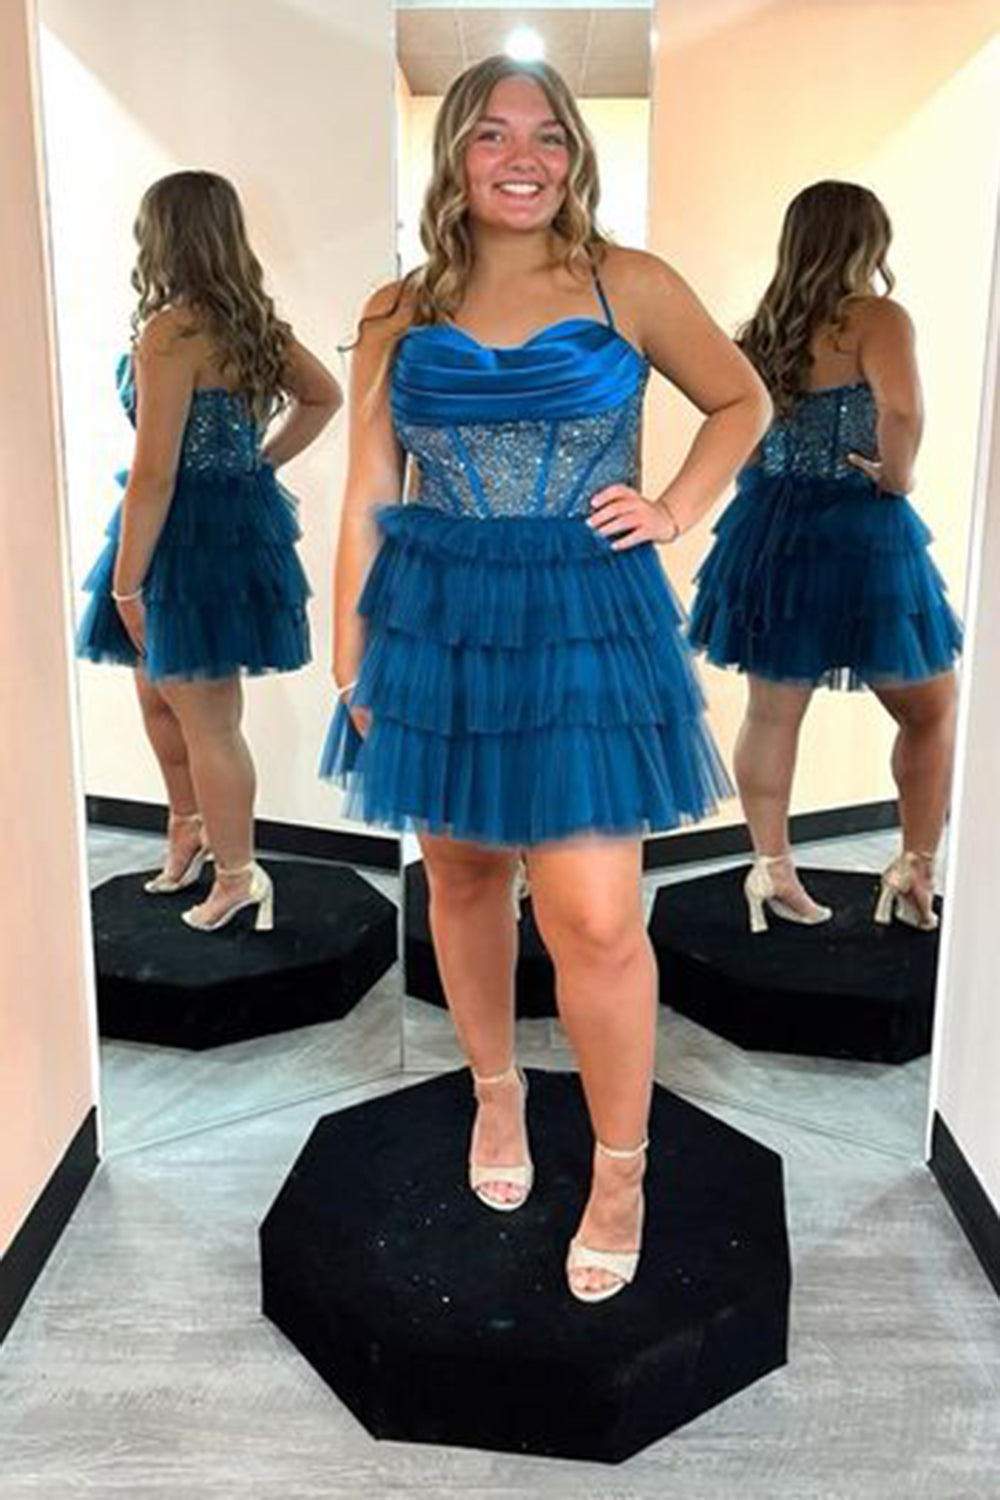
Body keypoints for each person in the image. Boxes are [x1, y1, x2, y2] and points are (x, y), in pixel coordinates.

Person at [322, 57, 770, 1302]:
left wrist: (672, 507)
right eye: (491, 134)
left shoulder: (630, 281)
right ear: (454, 155)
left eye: (548, 137)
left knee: (595, 918)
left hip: (583, 616)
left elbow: (740, 399)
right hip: (438, 620)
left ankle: (621, 1170)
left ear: (575, 154)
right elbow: (366, 492)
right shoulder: (396, 308)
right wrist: (353, 652)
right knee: (463, 874)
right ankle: (496, 1093)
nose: (522, 159)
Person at [688, 181, 962, 934]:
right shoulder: (877, 318)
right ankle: (914, 866)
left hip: (771, 528)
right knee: (933, 709)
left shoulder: (759, 334)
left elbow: (742, 434)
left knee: (772, 711)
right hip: (859, 533)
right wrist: (897, 477)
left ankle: (770, 867)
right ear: (867, 240)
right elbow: (902, 409)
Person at [76, 171, 342, 932]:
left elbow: (156, 473)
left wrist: (126, 586)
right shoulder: (246, 325)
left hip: (189, 539)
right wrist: (255, 465)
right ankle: (188, 826)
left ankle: (237, 876)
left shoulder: (174, 333)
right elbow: (320, 396)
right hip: (205, 529)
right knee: (157, 694)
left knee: (208, 717)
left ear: (162, 235)